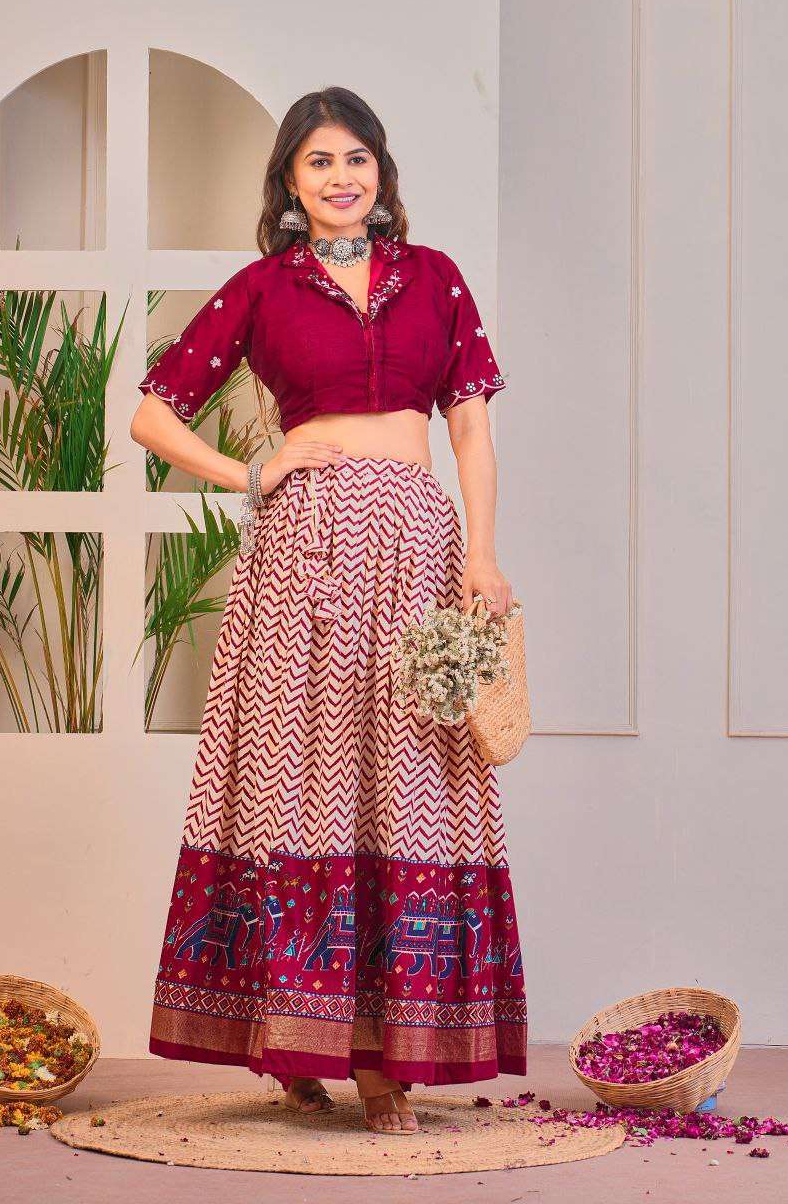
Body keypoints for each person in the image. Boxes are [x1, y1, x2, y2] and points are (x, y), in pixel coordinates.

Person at [130, 86, 527, 1136]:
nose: (342, 177)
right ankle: (304, 1041)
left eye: (357, 158)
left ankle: (385, 1053)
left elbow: (470, 429)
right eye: (319, 162)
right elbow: (152, 416)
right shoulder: (263, 287)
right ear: (290, 183)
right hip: (304, 552)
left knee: (409, 778)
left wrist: (482, 552)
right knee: (301, 783)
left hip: (417, 546)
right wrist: (254, 469)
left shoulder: (434, 277)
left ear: (381, 173)